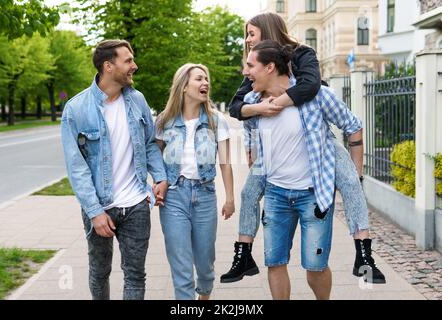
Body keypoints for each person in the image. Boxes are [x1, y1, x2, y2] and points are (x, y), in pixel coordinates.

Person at [221, 12, 385, 285]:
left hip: (319, 143)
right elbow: (237, 108)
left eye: (251, 34)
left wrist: (280, 103)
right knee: (249, 192)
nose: (247, 40)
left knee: (352, 182)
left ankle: (364, 254)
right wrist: (261, 108)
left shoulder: (303, 54)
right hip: (276, 185)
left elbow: (311, 86)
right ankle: (243, 255)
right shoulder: (254, 85)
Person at [241, 40, 371, 299]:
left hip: (314, 196)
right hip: (276, 195)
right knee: (274, 262)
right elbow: (252, 144)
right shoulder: (252, 101)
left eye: (250, 65)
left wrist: (355, 175)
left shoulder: (317, 96)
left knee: (315, 267)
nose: (245, 72)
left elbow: (353, 125)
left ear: (269, 67)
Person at [61, 39, 168, 300]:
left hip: (136, 204)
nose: (135, 66)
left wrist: (161, 176)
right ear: (109, 66)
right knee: (99, 271)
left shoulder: (137, 100)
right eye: (128, 61)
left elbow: (149, 143)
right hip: (100, 206)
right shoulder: (76, 109)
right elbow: (77, 168)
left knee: (135, 274)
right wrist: (95, 212)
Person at [155, 63, 235, 300]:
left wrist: (229, 198)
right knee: (180, 266)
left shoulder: (216, 120)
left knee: (205, 263)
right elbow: (154, 157)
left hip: (205, 195)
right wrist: (158, 182)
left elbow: (225, 163)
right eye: (199, 79)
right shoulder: (164, 120)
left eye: (206, 79)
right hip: (174, 198)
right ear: (183, 86)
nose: (205, 83)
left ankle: (204, 295)